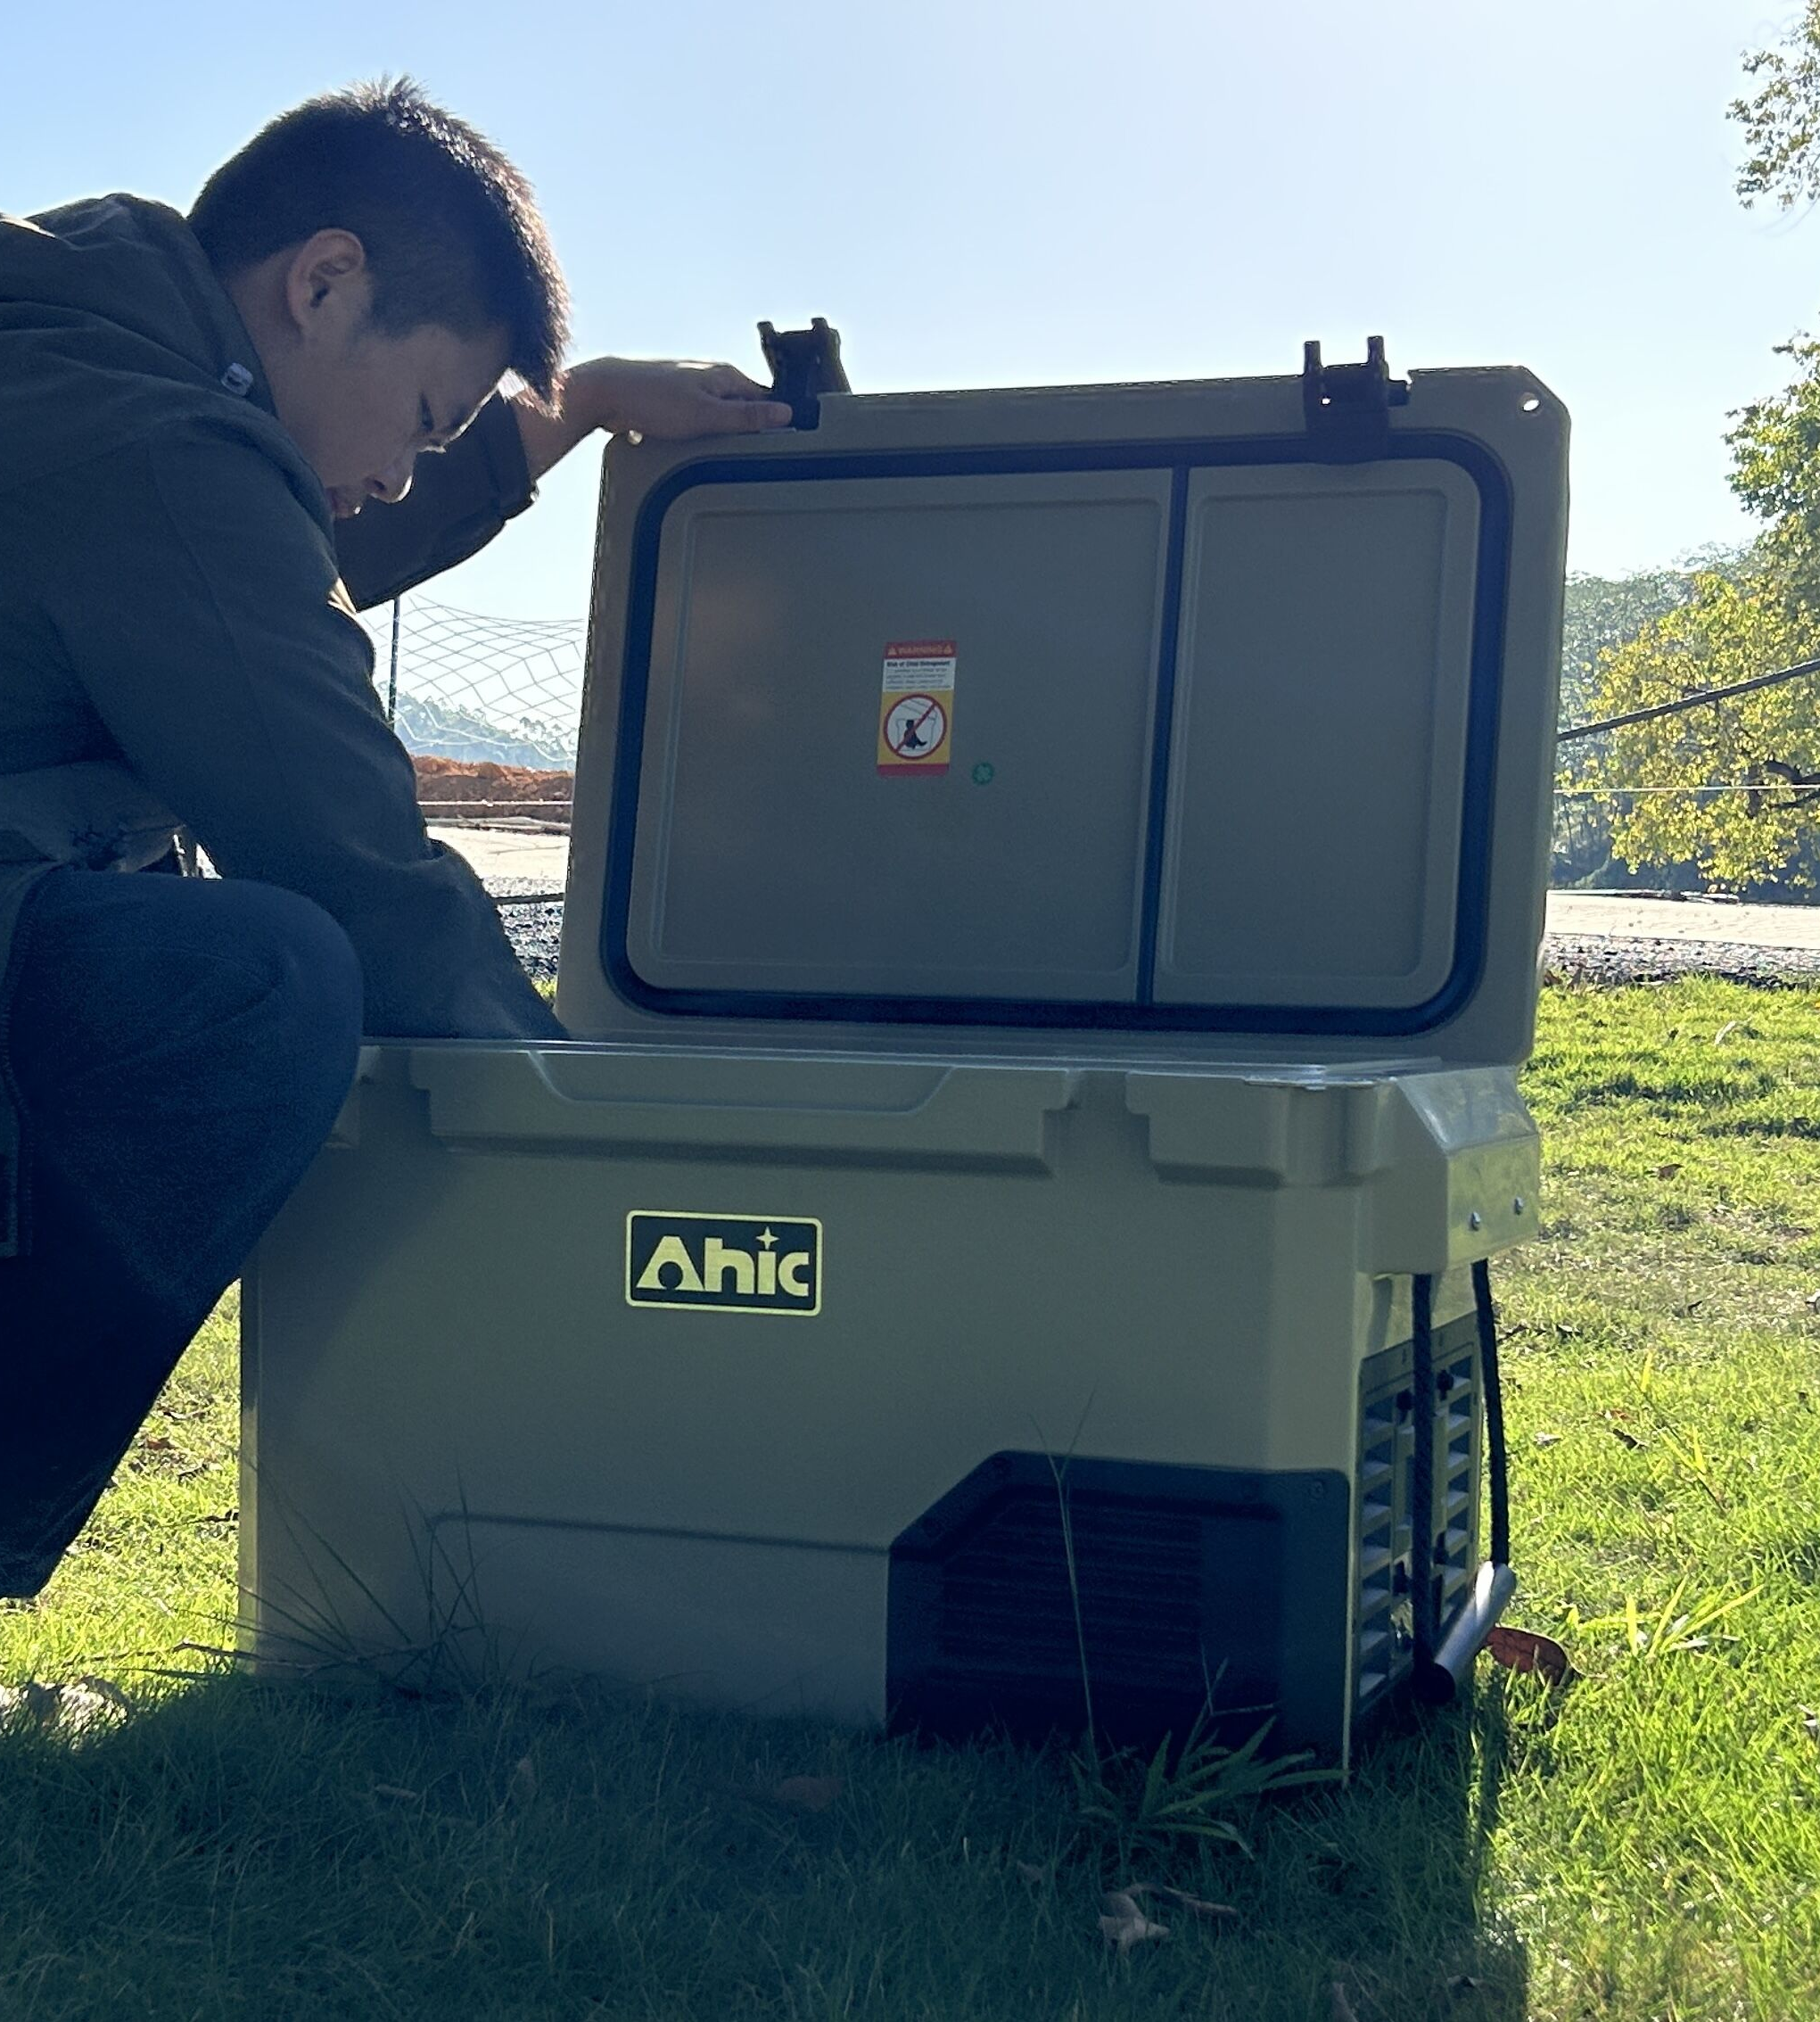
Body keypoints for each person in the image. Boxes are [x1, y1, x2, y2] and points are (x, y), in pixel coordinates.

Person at [0, 78, 793, 1600]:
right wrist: (597, 1133)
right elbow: (356, 866)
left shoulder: (90, 327)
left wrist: (585, 404)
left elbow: (296, 530)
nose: (400, 476)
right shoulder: (158, 446)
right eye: (430, 423)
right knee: (264, 981)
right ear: (322, 280)